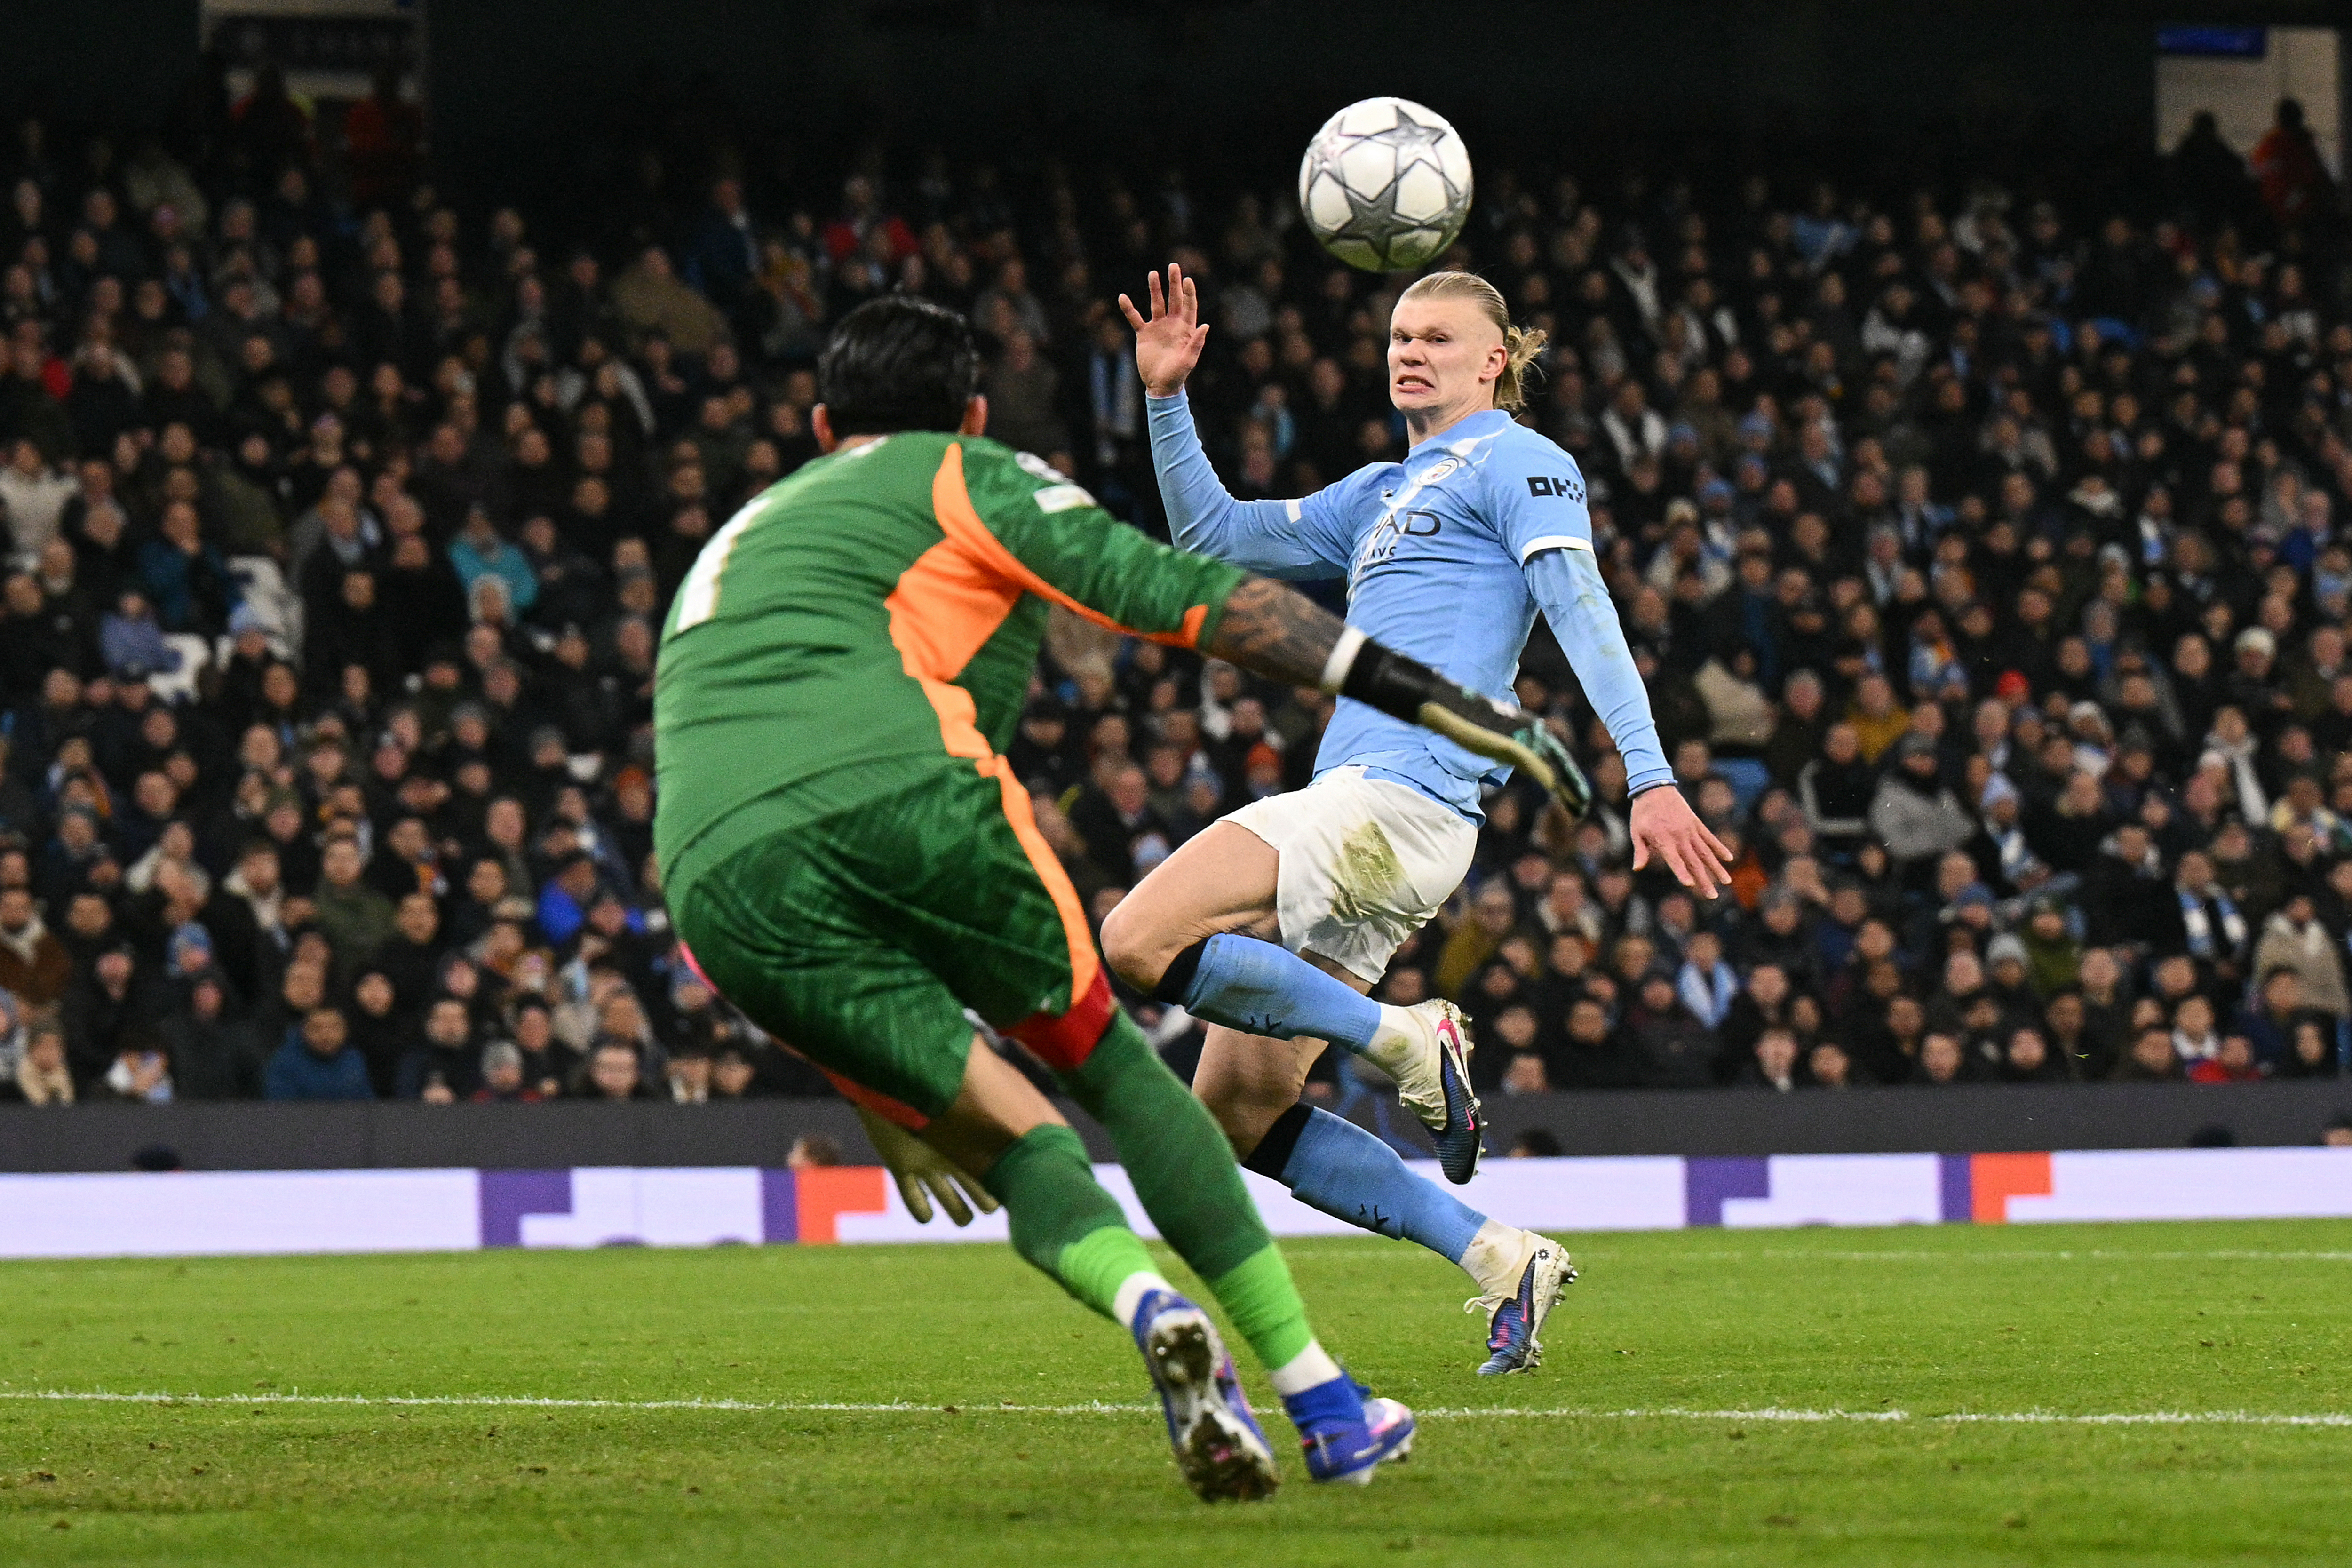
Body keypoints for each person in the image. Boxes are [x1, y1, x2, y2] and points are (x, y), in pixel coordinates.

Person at [654, 297, 1580, 1500]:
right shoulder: (967, 474)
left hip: (707, 878)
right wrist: (1437, 697)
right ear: (974, 418)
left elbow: (739, 787)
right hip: (909, 797)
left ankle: (1153, 1302)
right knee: (1137, 1073)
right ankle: (1320, 1395)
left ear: (822, 421)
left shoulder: (741, 535)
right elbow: (1196, 591)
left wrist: (870, 1083)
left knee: (1017, 1146)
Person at [1102, 264, 1729, 1376]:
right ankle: (1501, 1255)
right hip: (1385, 824)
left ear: (1496, 360)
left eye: (1437, 336)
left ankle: (1405, 1036)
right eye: (1399, 333)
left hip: (1397, 798)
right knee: (1240, 1113)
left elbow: (1580, 610)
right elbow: (1212, 535)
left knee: (1136, 939)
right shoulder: (1376, 493)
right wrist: (1164, 395)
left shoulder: (1519, 461)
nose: (1409, 349)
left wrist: (1650, 774)